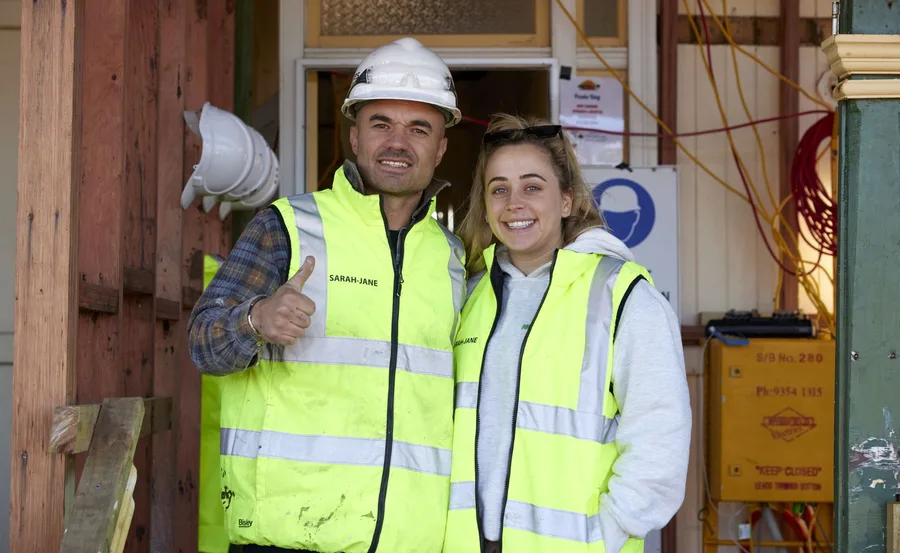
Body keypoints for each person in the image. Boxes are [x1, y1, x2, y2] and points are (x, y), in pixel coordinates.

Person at [187, 37, 467, 553]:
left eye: (419, 128)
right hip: (289, 540)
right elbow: (204, 344)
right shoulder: (286, 229)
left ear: (441, 147)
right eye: (381, 123)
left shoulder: (454, 259)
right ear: (355, 137)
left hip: (413, 541)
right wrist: (254, 320)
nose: (398, 142)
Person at [442, 114, 691, 553]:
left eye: (532, 187)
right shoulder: (467, 296)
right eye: (499, 189)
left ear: (566, 202)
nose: (514, 203)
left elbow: (661, 439)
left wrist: (605, 534)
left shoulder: (622, 295)